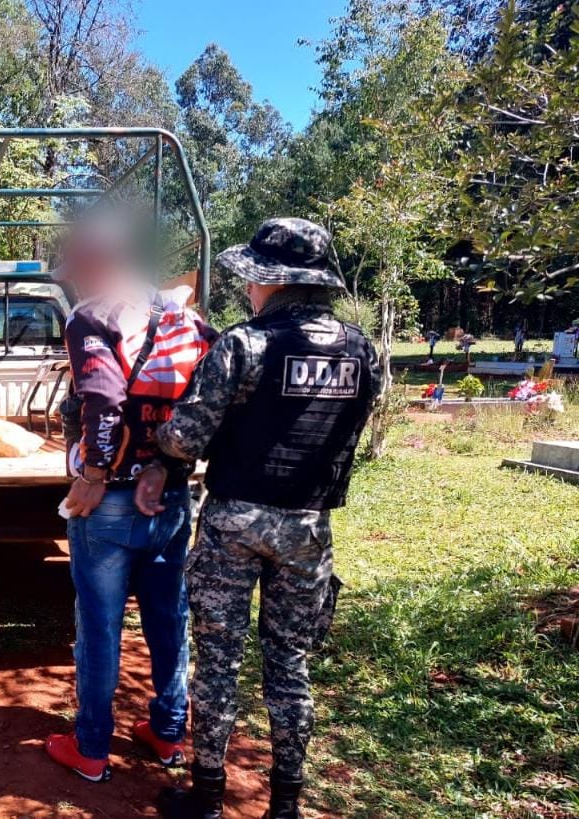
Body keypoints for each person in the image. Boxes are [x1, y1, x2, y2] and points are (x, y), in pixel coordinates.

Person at [154, 218, 382, 819]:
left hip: (235, 522)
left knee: (219, 659)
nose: (247, 292)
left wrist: (158, 433)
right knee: (290, 662)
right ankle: (285, 804)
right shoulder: (364, 350)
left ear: (272, 284)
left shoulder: (244, 344)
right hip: (309, 529)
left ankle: (206, 796)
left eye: (252, 281)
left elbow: (185, 438)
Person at [43, 216, 213, 783]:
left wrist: (92, 473)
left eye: (76, 270)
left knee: (99, 624)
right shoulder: (181, 316)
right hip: (168, 494)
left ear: (94, 263)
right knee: (169, 616)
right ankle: (167, 734)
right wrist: (166, 464)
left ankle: (90, 746)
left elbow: (103, 400)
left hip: (111, 500)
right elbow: (205, 398)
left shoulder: (93, 316)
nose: (74, 283)